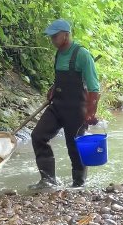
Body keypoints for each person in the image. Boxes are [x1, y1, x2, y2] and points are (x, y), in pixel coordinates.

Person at [30, 20, 100, 189]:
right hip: (57, 106)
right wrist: (54, 88)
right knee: (38, 136)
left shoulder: (82, 55)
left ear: (66, 35)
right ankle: (48, 180)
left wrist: (90, 113)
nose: (52, 40)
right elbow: (61, 78)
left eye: (55, 36)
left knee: (74, 147)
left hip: (77, 110)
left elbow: (94, 89)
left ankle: (78, 184)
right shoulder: (59, 53)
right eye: (51, 37)